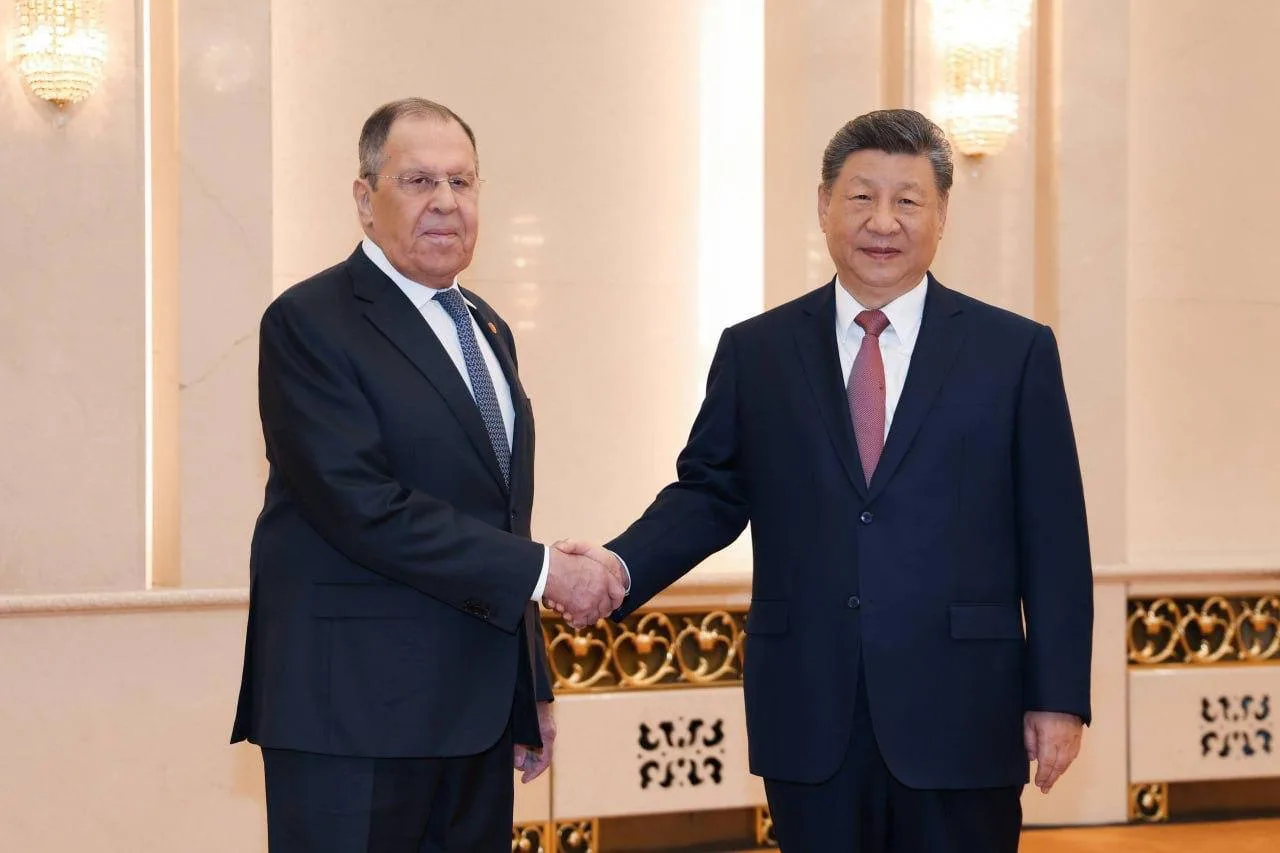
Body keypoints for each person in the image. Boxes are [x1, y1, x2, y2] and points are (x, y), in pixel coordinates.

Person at [553, 109, 1093, 852]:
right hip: (809, 708)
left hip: (964, 709)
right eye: (861, 196)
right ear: (823, 206)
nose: (882, 221)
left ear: (941, 215)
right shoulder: (757, 352)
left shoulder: (1014, 352)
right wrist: (618, 565)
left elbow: (1055, 538)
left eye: (908, 200)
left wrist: (1059, 697)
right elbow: (708, 494)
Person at [231, 97, 623, 852]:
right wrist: (549, 574)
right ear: (364, 199)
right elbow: (361, 505)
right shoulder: (310, 321)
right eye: (418, 181)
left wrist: (529, 687)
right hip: (352, 719)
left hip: (475, 718)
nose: (446, 201)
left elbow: (500, 516)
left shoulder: (487, 326)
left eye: (462, 181)